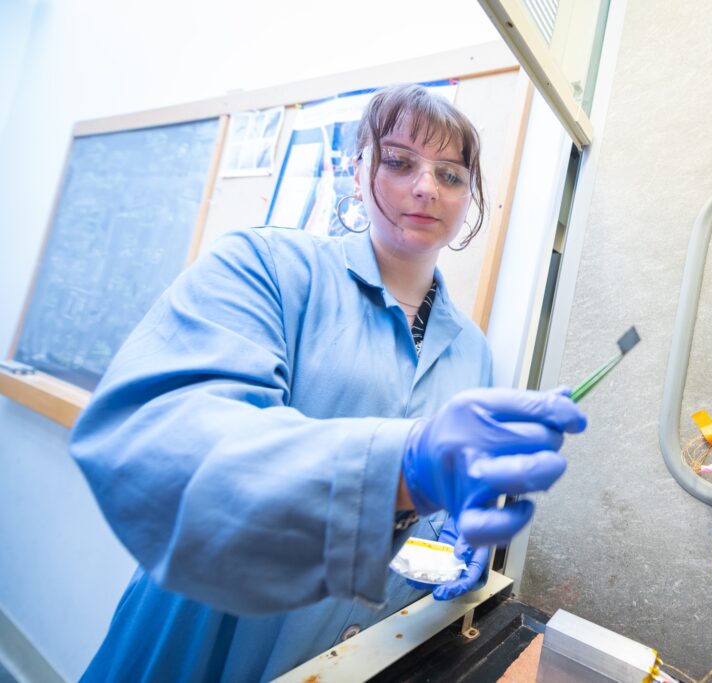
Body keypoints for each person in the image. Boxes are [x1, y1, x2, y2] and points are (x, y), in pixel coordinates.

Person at [69, 83, 586, 682]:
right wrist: (400, 468)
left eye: (450, 174)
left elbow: (424, 513)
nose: (426, 187)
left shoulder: (473, 352)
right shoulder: (264, 267)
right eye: (399, 162)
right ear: (356, 168)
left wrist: (460, 529)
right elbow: (169, 446)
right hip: (200, 651)